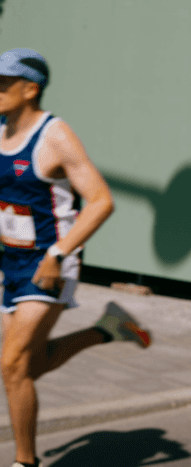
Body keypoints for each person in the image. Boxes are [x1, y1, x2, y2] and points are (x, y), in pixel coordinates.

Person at [0, 49, 152, 467]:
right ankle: (107, 328)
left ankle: (24, 461)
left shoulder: (55, 136)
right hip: (12, 263)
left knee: (12, 364)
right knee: (29, 364)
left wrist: (58, 252)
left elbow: (101, 201)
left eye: (3, 83)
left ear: (31, 89)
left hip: (51, 264)